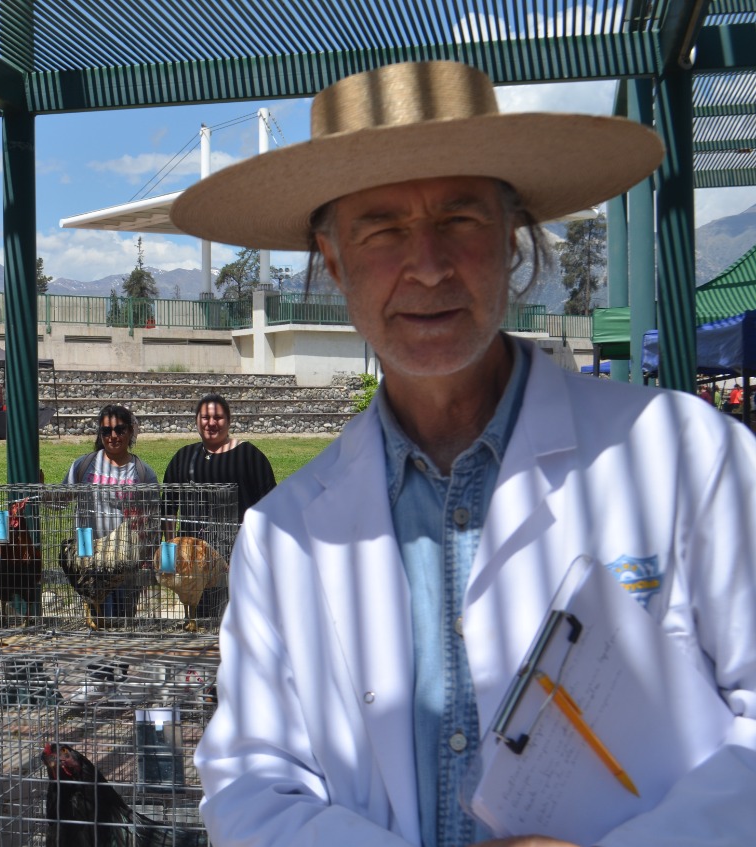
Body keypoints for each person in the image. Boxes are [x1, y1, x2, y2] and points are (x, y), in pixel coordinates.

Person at [170, 60, 756, 847]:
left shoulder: (689, 457)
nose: (430, 265)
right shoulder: (283, 539)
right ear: (333, 258)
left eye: (461, 219)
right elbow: (250, 786)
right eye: (382, 227)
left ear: (513, 239)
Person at [161, 393, 275, 617]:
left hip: (238, 560)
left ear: (229, 421)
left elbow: (269, 510)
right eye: (205, 417)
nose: (211, 423)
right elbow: (168, 510)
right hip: (193, 564)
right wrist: (169, 556)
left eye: (218, 417)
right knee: (200, 623)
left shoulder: (249, 456)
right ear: (196, 420)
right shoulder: (183, 458)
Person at [63, 404, 158, 619]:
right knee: (95, 618)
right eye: (106, 431)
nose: (113, 436)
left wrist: (148, 558)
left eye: (119, 430)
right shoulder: (83, 465)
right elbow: (62, 499)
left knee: (123, 620)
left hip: (125, 562)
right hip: (90, 559)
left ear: (130, 431)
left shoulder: (143, 473)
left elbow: (152, 521)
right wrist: (40, 492)